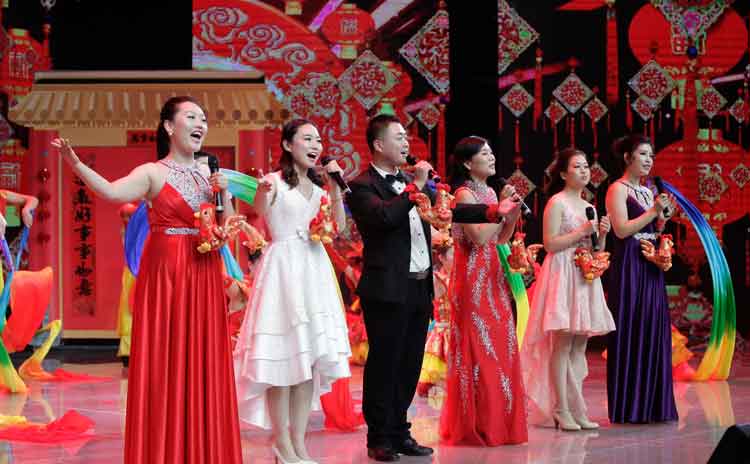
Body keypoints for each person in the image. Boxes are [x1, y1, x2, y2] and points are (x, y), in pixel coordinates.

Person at [52, 95, 242, 463]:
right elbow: (111, 192)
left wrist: (225, 193)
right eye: (191, 117)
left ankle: (204, 451)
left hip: (204, 274)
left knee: (204, 363)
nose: (200, 124)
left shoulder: (209, 175)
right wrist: (74, 162)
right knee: (166, 361)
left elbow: (226, 228)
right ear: (169, 126)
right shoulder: (153, 172)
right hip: (168, 274)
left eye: (203, 119)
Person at [346, 114, 520, 462]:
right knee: (385, 364)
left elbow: (455, 212)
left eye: (406, 137)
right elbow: (383, 218)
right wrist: (416, 186)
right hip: (387, 288)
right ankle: (379, 437)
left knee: (410, 364)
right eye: (398, 137)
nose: (406, 143)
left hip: (419, 285)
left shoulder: (415, 184)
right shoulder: (362, 186)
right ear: (378, 144)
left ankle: (400, 431)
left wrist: (494, 211)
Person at [233, 119, 352, 464]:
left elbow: (338, 227)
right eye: (307, 139)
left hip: (314, 269)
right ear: (288, 145)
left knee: (308, 362)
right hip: (283, 269)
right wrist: (261, 191)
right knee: (282, 360)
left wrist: (335, 187)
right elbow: (261, 210)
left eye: (318, 140)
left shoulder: (320, 188)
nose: (315, 146)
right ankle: (281, 442)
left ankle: (299, 444)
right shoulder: (273, 181)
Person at [439, 136, 527, 446]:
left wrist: (511, 215)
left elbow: (499, 239)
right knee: (480, 350)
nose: (492, 158)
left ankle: (500, 423)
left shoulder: (490, 191)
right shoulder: (463, 194)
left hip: (493, 275)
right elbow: (477, 237)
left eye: (491, 152)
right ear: (467, 163)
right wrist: (499, 210)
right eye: (484, 154)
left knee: (501, 345)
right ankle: (478, 425)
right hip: (471, 279)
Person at [521, 148, 615, 431]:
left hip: (584, 274)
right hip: (562, 272)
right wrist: (581, 231)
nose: (584, 171)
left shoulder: (589, 206)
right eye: (577, 166)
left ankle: (577, 407)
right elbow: (550, 244)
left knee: (579, 345)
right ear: (563, 173)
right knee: (562, 344)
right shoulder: (557, 202)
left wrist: (602, 235)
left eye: (586, 166)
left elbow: (596, 249)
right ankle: (560, 409)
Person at [605, 135, 678, 424]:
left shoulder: (648, 191)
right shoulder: (617, 189)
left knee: (652, 329)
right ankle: (629, 407)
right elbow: (621, 231)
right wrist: (652, 212)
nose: (649, 160)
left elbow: (652, 228)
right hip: (630, 265)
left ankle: (653, 405)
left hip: (651, 263)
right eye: (643, 154)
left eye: (651, 155)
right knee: (631, 329)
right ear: (627, 157)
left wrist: (662, 220)